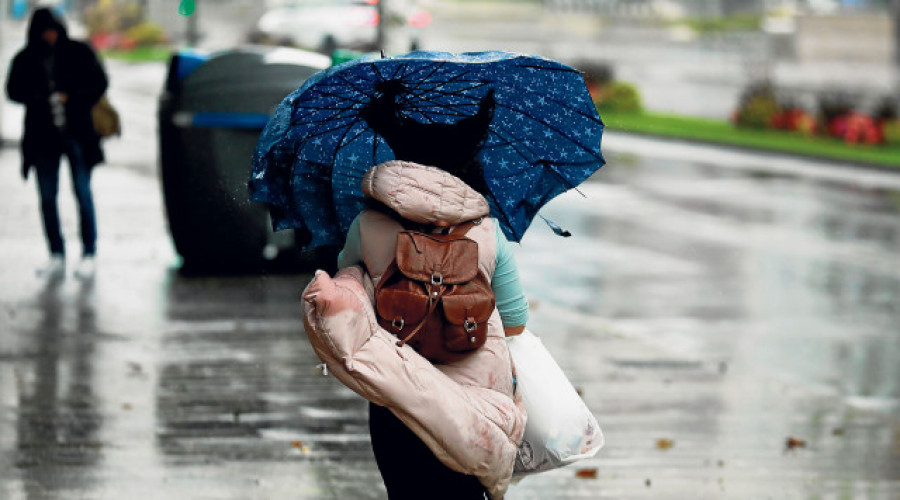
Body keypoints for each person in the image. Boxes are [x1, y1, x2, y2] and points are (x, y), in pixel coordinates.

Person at [6, 7, 108, 279]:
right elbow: (13, 90)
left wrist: (72, 98)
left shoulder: (78, 52)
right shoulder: (27, 58)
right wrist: (39, 97)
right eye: (44, 32)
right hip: (42, 139)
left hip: (78, 135)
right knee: (48, 199)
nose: (49, 36)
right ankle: (57, 254)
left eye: (52, 31)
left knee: (83, 195)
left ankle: (89, 252)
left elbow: (100, 81)